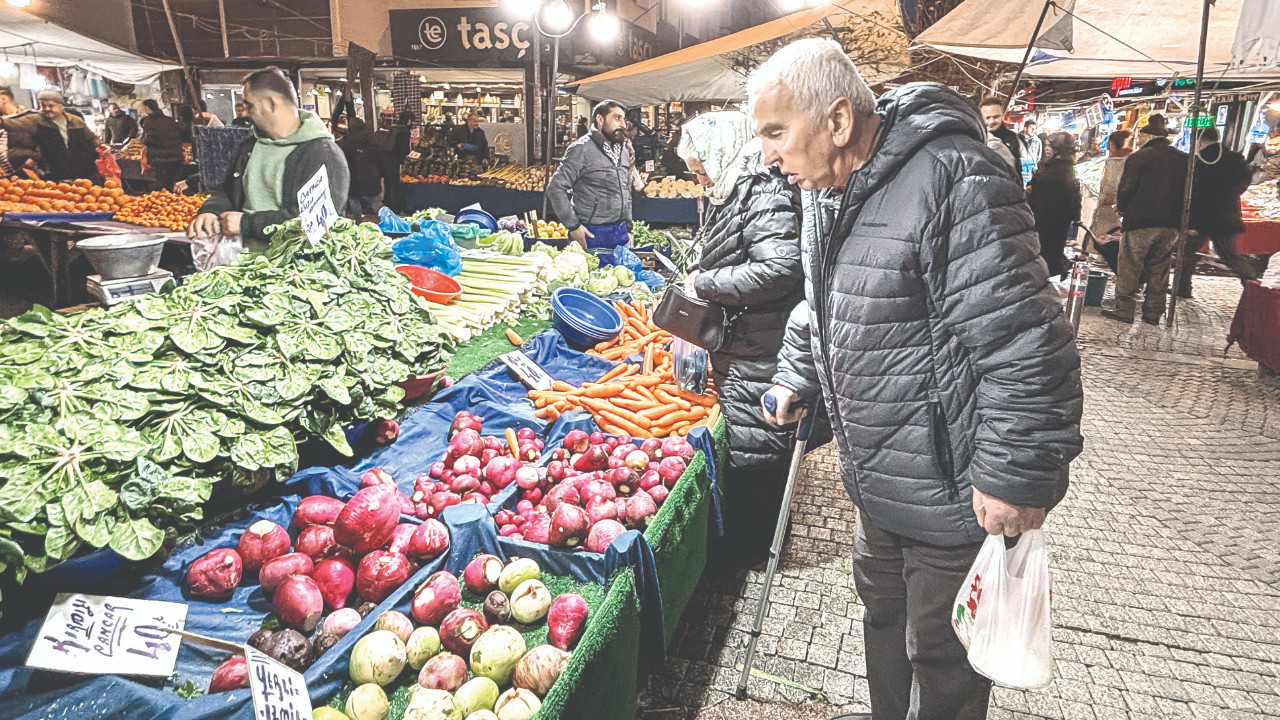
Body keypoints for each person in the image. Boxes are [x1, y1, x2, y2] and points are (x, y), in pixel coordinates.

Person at [748, 39, 1083, 720]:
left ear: (838, 121)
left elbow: (1026, 339)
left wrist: (1016, 474)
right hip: (878, 480)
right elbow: (825, 303)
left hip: (952, 490)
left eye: (776, 132)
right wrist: (795, 375)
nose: (767, 155)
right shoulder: (826, 190)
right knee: (881, 626)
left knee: (943, 657)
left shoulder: (955, 178)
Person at [675, 110, 806, 561]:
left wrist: (705, 283)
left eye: (699, 167)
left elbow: (781, 266)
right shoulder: (735, 186)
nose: (698, 178)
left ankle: (758, 546)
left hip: (761, 341)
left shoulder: (761, 188)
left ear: (720, 151)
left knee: (759, 446)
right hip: (747, 337)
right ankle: (758, 534)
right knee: (752, 440)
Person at [188, 66, 349, 253]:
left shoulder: (322, 154)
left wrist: (247, 224)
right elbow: (226, 191)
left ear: (272, 103)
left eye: (249, 104)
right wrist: (210, 211)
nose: (245, 113)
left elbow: (318, 223)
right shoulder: (248, 146)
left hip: (298, 271)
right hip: (246, 264)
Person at [1103, 114, 1188, 325]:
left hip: (1141, 221)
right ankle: (1153, 313)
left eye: (1140, 136)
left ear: (1148, 136)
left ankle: (1124, 309)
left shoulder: (1140, 157)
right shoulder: (1183, 159)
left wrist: (1122, 209)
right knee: (1160, 268)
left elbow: (1127, 187)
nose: (1138, 140)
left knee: (1130, 265)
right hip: (1170, 224)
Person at [546, 100, 634, 250]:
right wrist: (573, 226)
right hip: (591, 233)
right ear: (600, 119)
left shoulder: (623, 151)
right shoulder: (581, 149)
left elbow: (626, 189)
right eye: (617, 118)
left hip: (620, 232)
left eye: (623, 119)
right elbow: (555, 188)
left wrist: (628, 228)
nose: (623, 125)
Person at [1181, 127, 1259, 295]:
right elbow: (1245, 181)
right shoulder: (1235, 159)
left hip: (1198, 216)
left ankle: (1183, 287)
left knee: (1186, 253)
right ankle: (1253, 283)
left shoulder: (1197, 161)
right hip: (1226, 215)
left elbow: (1189, 189)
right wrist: (1230, 196)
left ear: (1200, 141)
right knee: (1230, 255)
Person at [1026, 132, 1082, 278]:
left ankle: (1052, 273)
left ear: (1058, 148)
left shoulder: (1059, 168)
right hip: (1053, 219)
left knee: (1048, 252)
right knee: (1050, 251)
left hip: (1050, 219)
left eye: (1049, 146)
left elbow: (1064, 194)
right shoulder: (1062, 166)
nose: (1046, 149)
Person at [31, 89, 104, 183]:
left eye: (51, 105)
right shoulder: (36, 122)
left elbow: (91, 138)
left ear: (61, 106)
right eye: (43, 105)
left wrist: (100, 144)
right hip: (55, 174)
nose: (46, 109)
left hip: (83, 171)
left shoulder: (76, 121)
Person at [338, 117, 383, 224]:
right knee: (374, 200)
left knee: (354, 199)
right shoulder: (372, 138)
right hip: (372, 174)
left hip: (355, 176)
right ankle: (388, 220)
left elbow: (344, 160)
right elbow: (379, 156)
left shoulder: (346, 141)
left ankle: (359, 222)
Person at [139, 99, 185, 192]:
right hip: (176, 158)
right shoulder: (170, 120)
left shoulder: (149, 122)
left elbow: (149, 139)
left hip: (160, 160)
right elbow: (180, 135)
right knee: (173, 186)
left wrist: (142, 140)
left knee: (161, 188)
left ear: (147, 108)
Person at [374, 110, 412, 212]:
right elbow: (404, 149)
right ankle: (396, 206)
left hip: (386, 157)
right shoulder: (404, 131)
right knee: (395, 184)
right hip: (394, 159)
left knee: (388, 181)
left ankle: (387, 203)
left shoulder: (394, 128)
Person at [979, 96, 1022, 172]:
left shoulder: (1011, 137)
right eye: (987, 118)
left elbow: (1017, 168)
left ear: (1002, 115)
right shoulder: (976, 137)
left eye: (996, 117)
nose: (991, 121)